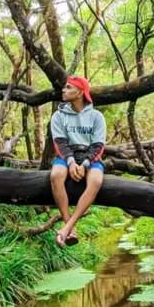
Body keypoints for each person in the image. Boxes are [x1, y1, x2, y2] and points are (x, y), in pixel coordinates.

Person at [49, 75, 106, 247]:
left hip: (90, 158)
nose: (63, 90)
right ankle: (70, 229)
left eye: (68, 87)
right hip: (66, 157)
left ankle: (67, 227)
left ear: (80, 92)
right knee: (56, 175)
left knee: (96, 180)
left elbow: (98, 145)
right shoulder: (58, 116)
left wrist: (86, 164)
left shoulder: (96, 116)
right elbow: (60, 143)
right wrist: (72, 163)